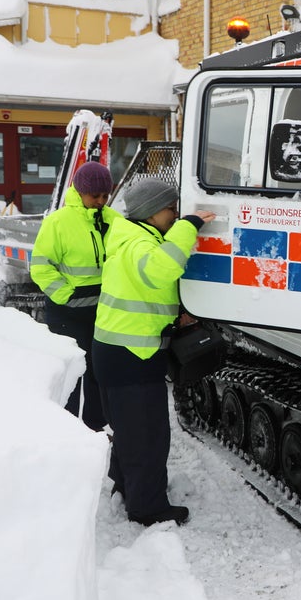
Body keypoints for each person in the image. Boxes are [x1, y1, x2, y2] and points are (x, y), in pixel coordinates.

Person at [92, 179, 215, 526]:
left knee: (129, 431)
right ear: (150, 212)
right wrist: (189, 226)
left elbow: (146, 290)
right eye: (170, 209)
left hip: (118, 352)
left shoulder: (130, 237)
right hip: (133, 356)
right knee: (147, 436)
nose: (175, 214)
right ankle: (147, 508)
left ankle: (127, 486)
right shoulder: (138, 243)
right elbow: (161, 271)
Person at [30, 160, 119, 431]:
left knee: (98, 373)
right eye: (95, 195)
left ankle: (95, 428)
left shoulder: (114, 220)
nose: (101, 201)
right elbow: (41, 266)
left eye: (105, 196)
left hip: (102, 312)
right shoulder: (57, 223)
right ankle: (67, 432)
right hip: (66, 314)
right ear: (80, 192)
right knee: (71, 375)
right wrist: (66, 295)